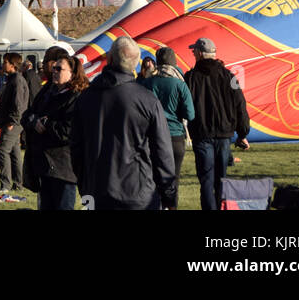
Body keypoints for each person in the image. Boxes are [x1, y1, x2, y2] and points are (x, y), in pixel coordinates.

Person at [72, 37, 175, 211]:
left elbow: (76, 149)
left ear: (109, 58)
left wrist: (85, 187)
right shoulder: (147, 100)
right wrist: (169, 195)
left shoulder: (85, 99)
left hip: (98, 192)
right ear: (135, 64)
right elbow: (163, 151)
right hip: (138, 194)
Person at [184, 37, 250, 210]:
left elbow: (185, 106)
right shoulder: (229, 76)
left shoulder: (190, 77)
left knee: (206, 179)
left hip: (201, 133)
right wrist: (242, 133)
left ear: (199, 54)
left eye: (193, 52)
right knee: (221, 178)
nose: (193, 54)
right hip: (224, 134)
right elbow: (240, 104)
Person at [22, 51, 84, 209]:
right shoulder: (47, 91)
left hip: (63, 167)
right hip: (43, 166)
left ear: (71, 73)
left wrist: (47, 124)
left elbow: (68, 132)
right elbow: (27, 114)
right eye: (54, 68)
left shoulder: (75, 97)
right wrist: (34, 121)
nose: (54, 72)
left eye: (59, 69)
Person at [140, 46, 195, 204]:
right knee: (173, 180)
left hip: (153, 137)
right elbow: (190, 114)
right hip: (175, 136)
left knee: (152, 179)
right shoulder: (180, 84)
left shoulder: (147, 83)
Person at [0, 53, 29, 195]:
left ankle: (6, 184)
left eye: (5, 62)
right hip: (12, 121)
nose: (3, 65)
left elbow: (18, 105)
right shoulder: (11, 80)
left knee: (3, 150)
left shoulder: (17, 81)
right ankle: (18, 183)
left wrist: (12, 122)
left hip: (13, 122)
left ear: (13, 65)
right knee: (15, 152)